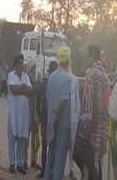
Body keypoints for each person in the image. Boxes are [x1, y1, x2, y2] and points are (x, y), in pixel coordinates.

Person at [73, 45, 110, 180]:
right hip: (101, 125)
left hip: (93, 125)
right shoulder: (103, 73)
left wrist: (90, 128)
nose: (85, 59)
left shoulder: (94, 73)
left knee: (81, 155)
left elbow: (97, 102)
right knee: (94, 162)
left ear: (91, 56)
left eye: (86, 56)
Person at [43, 46, 72, 180]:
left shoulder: (52, 76)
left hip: (51, 122)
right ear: (67, 61)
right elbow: (63, 102)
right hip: (61, 124)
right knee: (60, 158)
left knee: (51, 154)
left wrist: (52, 120)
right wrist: (56, 120)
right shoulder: (67, 78)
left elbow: (48, 98)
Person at [7, 54, 32, 175]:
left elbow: (29, 91)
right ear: (16, 64)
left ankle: (20, 164)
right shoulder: (11, 75)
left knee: (22, 138)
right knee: (12, 139)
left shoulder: (26, 76)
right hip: (14, 113)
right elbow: (13, 90)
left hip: (23, 114)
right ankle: (12, 164)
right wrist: (22, 88)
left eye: (23, 63)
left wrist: (20, 88)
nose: (22, 65)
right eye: (20, 63)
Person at [36, 60, 58, 179]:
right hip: (52, 118)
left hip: (46, 117)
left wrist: (38, 113)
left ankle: (45, 171)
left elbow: (38, 98)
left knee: (46, 145)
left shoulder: (45, 81)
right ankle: (50, 171)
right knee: (51, 145)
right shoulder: (51, 81)